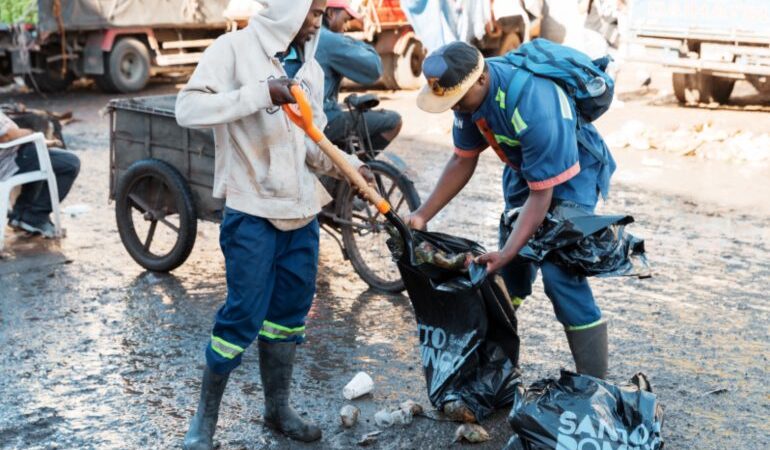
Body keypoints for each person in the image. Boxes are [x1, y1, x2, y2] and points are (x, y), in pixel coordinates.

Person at [175, 1, 372, 448]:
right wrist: (261, 94)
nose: (318, 21)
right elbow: (187, 109)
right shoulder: (232, 50)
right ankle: (204, 421)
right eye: (312, 12)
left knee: (288, 315)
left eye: (320, 12)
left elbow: (312, 144)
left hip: (301, 211)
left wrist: (350, 168)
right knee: (243, 313)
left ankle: (277, 409)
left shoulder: (310, 69)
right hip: (252, 210)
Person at [408, 42, 616, 382]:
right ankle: (497, 362)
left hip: (573, 171)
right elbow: (462, 158)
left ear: (481, 80)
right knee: (511, 271)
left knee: (560, 273)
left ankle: (593, 384)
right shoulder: (468, 95)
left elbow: (541, 195)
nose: (455, 107)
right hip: (525, 168)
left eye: (458, 99)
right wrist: (421, 214)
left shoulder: (534, 104)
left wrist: (505, 251)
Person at [316, 0, 403, 151]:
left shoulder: (308, 35)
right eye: (345, 21)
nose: (345, 28)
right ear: (330, 14)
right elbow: (374, 68)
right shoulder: (329, 39)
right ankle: (352, 165)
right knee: (393, 121)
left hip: (308, 116)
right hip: (323, 120)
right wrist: (347, 40)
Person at [0, 111, 80, 238]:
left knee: (38, 157)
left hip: (15, 153)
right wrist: (31, 134)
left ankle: (20, 216)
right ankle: (35, 216)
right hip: (9, 161)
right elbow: (7, 135)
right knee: (71, 163)